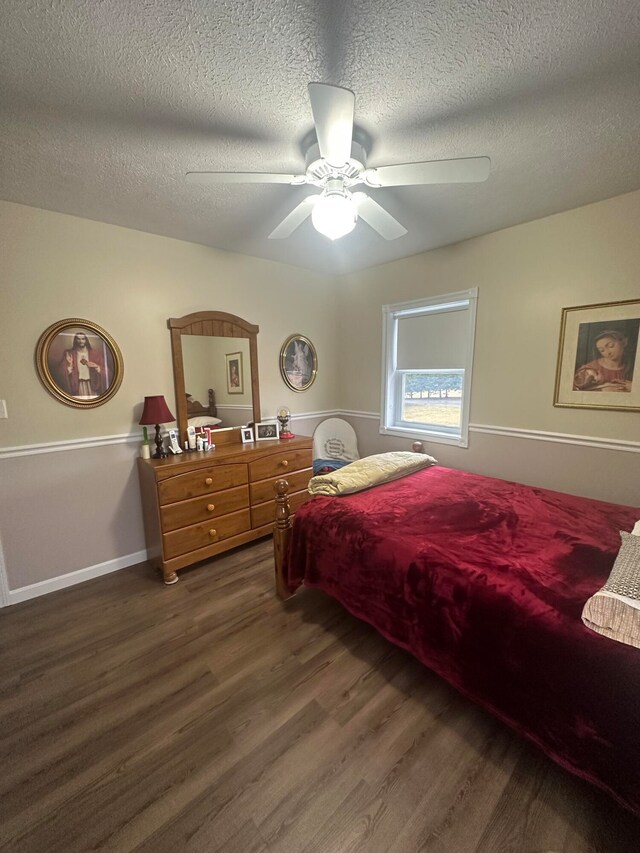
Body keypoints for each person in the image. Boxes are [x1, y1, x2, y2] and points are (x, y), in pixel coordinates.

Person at [56, 332, 106, 398]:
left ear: (86, 340)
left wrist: (97, 367)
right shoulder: (69, 354)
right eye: (78, 339)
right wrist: (69, 366)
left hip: (92, 385)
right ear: (75, 340)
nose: (81, 341)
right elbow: (60, 372)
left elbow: (106, 371)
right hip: (77, 385)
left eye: (83, 339)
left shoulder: (95, 354)